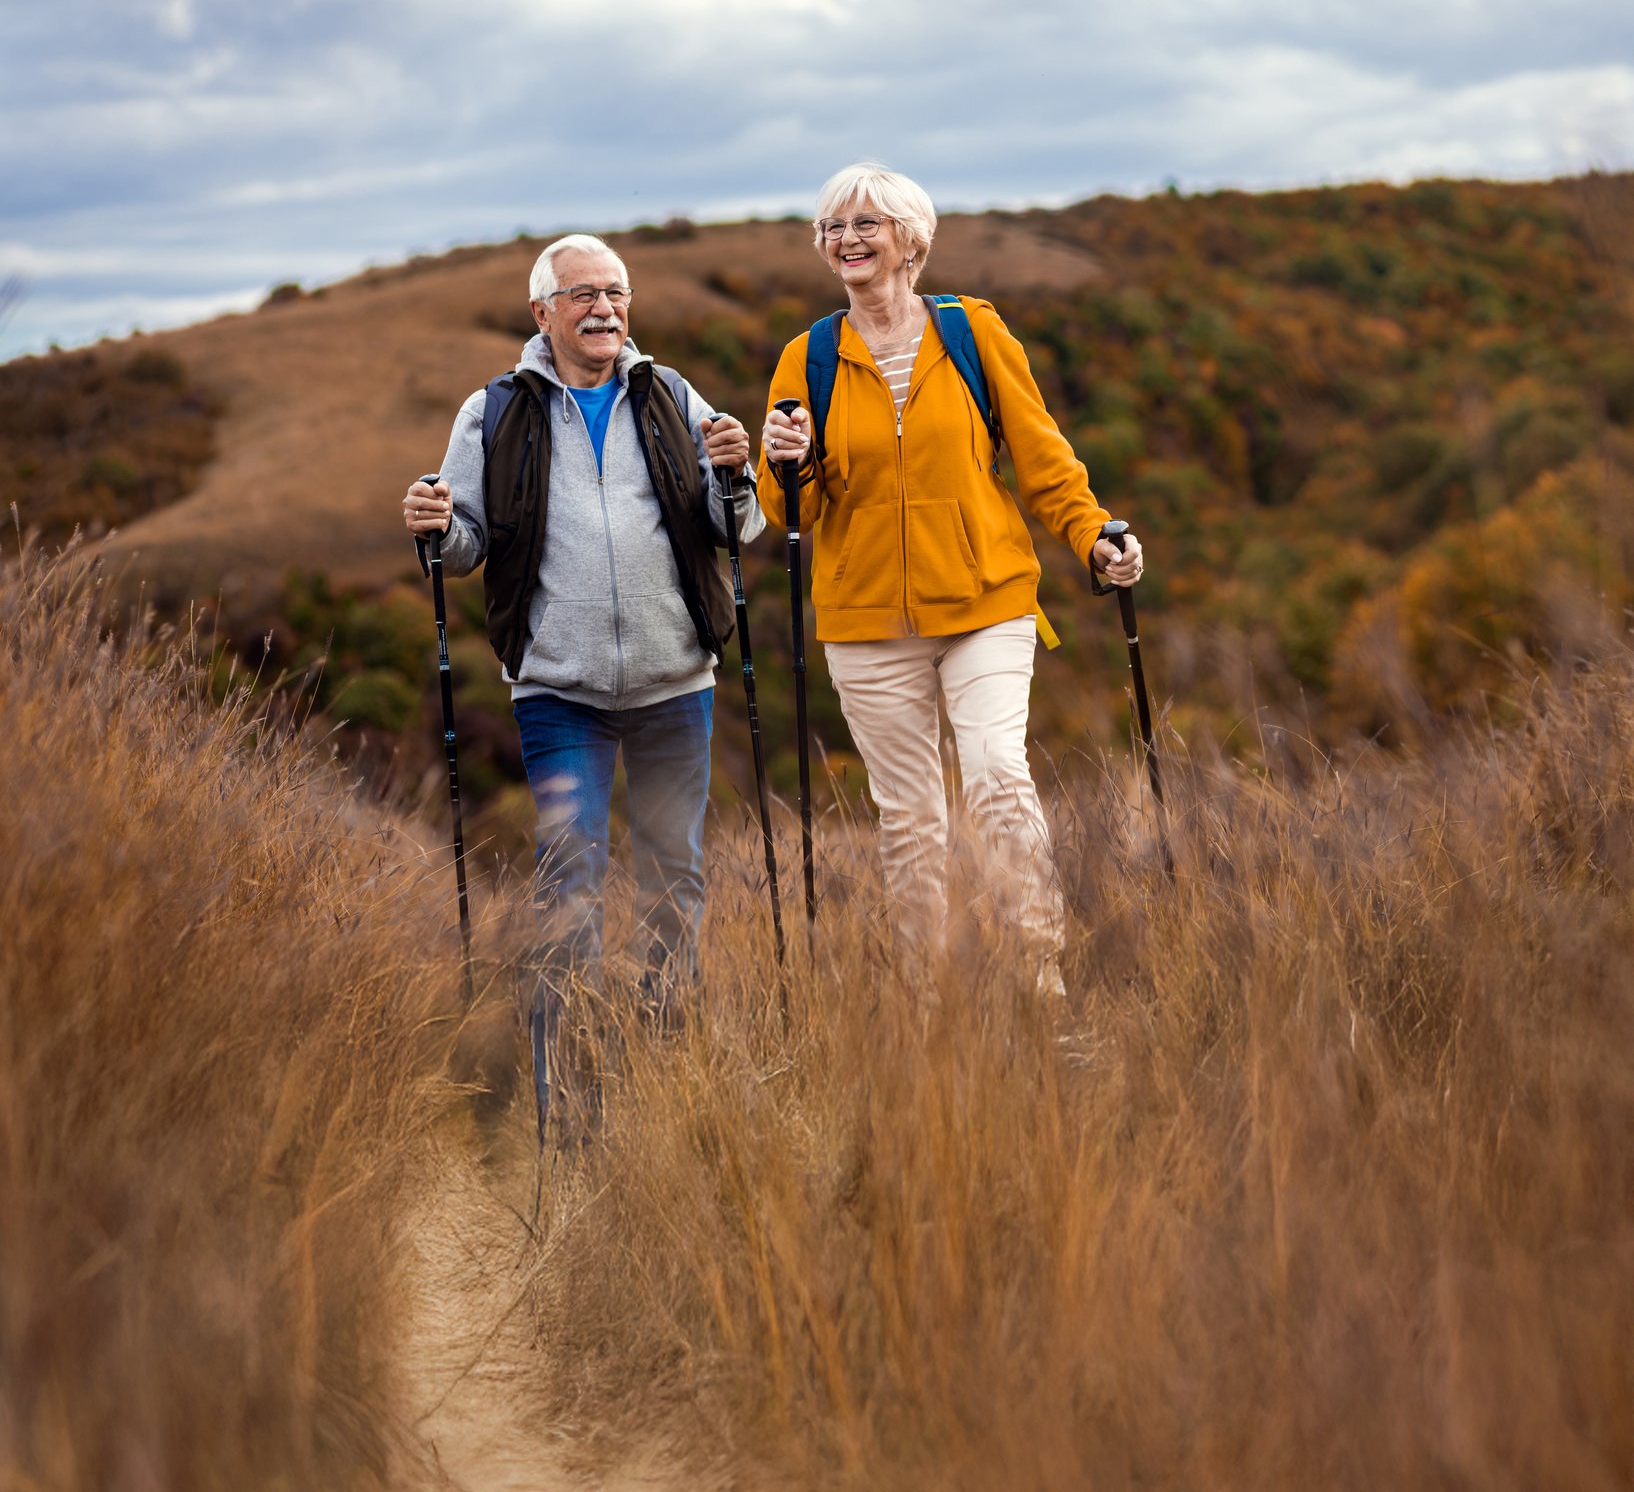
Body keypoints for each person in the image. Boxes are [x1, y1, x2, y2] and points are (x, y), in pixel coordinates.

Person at [758, 161, 1145, 993]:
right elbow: (791, 515)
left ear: (911, 240)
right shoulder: (808, 357)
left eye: (866, 224)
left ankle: (1044, 984)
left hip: (984, 600)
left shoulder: (972, 333)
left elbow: (1043, 462)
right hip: (865, 622)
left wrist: (1094, 538)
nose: (847, 239)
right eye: (833, 226)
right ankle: (924, 1005)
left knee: (998, 777)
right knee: (909, 820)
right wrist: (782, 464)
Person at [402, 234, 761, 1021]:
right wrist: (433, 525)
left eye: (616, 293)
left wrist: (737, 474)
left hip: (675, 682)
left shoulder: (668, 392)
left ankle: (665, 1046)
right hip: (558, 691)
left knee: (677, 873)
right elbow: (462, 547)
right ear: (544, 312)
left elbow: (735, 526)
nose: (605, 309)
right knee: (569, 875)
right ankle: (563, 1064)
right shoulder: (494, 410)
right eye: (583, 295)